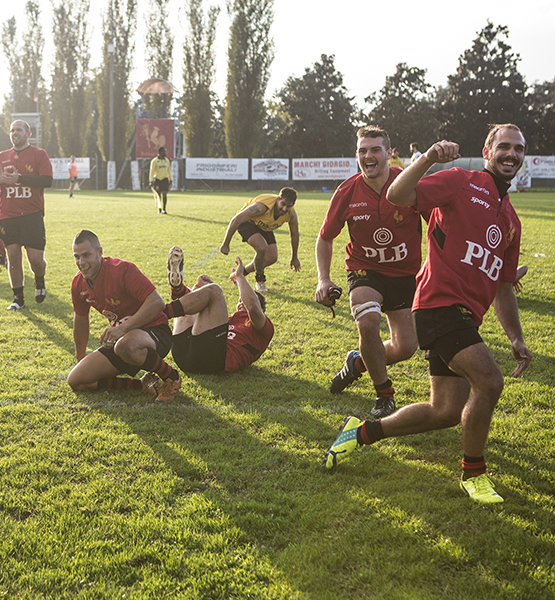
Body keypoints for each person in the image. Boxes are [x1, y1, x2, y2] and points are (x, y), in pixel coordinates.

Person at [324, 124, 531, 505]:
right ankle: (474, 474)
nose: (511, 154)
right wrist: (430, 158)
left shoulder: (511, 221)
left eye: (518, 149)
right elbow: (398, 194)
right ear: (487, 152)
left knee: (445, 411)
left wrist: (516, 338)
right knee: (489, 382)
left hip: (466, 316)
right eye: (504, 146)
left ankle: (361, 432)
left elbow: (504, 287)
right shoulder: (461, 181)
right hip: (439, 305)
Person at [315, 126, 421, 418]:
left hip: (405, 274)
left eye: (375, 149)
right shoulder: (347, 191)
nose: (368, 155)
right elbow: (325, 238)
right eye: (362, 150)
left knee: (405, 347)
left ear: (389, 153)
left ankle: (358, 362)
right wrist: (323, 279)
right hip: (364, 270)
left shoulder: (408, 183)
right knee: (368, 322)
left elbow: (440, 221)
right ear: (356, 155)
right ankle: (384, 394)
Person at [67, 230, 182, 402]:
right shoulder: (78, 284)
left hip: (155, 332)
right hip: (122, 340)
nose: (81, 262)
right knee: (77, 380)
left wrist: (122, 328)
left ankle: (171, 377)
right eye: (77, 257)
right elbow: (81, 320)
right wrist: (80, 358)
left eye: (86, 255)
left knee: (125, 345)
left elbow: (157, 302)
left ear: (99, 252)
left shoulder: (121, 270)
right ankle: (143, 384)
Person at [162, 247, 274, 375]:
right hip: (183, 355)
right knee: (192, 305)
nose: (241, 303)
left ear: (262, 309)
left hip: (212, 360)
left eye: (244, 300)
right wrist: (199, 288)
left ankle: (162, 312)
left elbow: (253, 307)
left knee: (214, 291)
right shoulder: (230, 320)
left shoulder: (264, 328)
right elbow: (195, 314)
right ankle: (178, 290)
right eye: (240, 301)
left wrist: (240, 277)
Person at [0, 119, 53, 310]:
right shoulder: (2, 156)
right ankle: (18, 299)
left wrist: (19, 178)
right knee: (13, 257)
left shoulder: (39, 154)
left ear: (28, 134)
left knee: (36, 260)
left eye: (19, 130)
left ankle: (39, 279)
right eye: (12, 130)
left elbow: (47, 180)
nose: (15, 133)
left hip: (32, 215)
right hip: (8, 215)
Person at [219, 187, 301, 292]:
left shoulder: (291, 215)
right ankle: (260, 280)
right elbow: (237, 219)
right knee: (262, 247)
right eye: (283, 204)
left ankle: (239, 274)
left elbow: (294, 235)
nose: (284, 209)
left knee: (272, 257)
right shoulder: (262, 207)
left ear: (293, 205)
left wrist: (294, 257)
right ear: (277, 199)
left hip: (264, 225)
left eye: (288, 206)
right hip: (248, 222)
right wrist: (226, 244)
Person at [149, 147, 172, 214]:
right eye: (164, 152)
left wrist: (170, 179)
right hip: (157, 179)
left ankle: (164, 209)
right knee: (158, 194)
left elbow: (169, 171)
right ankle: (159, 209)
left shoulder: (167, 161)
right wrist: (151, 181)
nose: (166, 153)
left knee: (164, 194)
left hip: (164, 179)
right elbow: (152, 171)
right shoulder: (155, 161)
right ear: (160, 152)